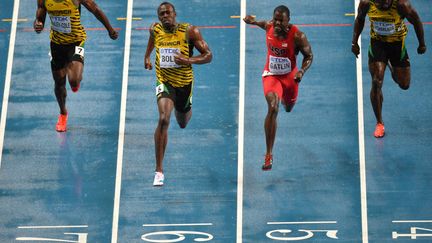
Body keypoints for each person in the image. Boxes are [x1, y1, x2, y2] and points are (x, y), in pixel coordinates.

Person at [144, 2, 212, 186]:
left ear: (175, 14)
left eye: (168, 13)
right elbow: (152, 40)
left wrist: (187, 60)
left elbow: (208, 55)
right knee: (164, 119)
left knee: (182, 122)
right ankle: (159, 170)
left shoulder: (190, 31)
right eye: (161, 14)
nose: (165, 16)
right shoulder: (155, 29)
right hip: (164, 82)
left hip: (184, 84)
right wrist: (147, 57)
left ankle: (181, 107)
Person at [243, 5, 313, 171]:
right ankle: (268, 154)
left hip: (290, 78)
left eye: (281, 20)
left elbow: (309, 56)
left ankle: (286, 101)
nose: (277, 23)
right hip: (271, 75)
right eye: (275, 19)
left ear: (288, 21)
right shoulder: (269, 26)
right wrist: (252, 21)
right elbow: (262, 23)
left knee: (288, 107)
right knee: (273, 107)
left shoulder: (297, 36)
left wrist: (301, 71)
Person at [34, 0, 118, 132]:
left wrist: (110, 29)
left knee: (73, 81)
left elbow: (95, 9)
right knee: (59, 83)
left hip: (76, 42)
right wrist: (38, 25)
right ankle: (63, 113)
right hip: (57, 44)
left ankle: (73, 76)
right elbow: (39, 18)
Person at [352, 0, 426, 138]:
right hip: (378, 44)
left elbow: (416, 21)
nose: (384, 4)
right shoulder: (366, 3)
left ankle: (390, 66)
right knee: (376, 81)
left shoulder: (401, 5)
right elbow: (359, 19)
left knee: (404, 84)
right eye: (381, 1)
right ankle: (379, 123)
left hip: (397, 46)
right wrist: (354, 42)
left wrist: (422, 44)